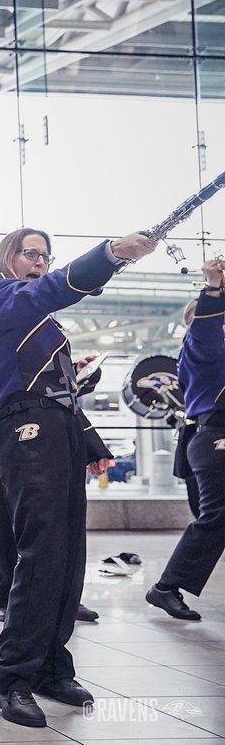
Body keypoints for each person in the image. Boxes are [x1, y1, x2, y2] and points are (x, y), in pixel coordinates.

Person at [0, 227, 153, 728]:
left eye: (45, 256)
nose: (39, 262)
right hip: (27, 431)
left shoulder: (39, 320)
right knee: (43, 551)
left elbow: (64, 393)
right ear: (6, 258)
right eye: (30, 253)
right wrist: (111, 255)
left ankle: (51, 664)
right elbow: (52, 290)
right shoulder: (2, 300)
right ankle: (10, 677)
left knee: (69, 554)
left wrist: (90, 444)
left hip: (57, 431)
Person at [0, 339, 109, 624]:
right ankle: (5, 598)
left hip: (48, 438)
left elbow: (63, 400)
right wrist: (16, 373)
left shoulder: (44, 345)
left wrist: (76, 372)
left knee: (51, 523)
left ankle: (59, 598)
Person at [147, 259, 225, 621]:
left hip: (212, 436)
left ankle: (166, 587)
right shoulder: (200, 347)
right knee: (218, 517)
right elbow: (208, 332)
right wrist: (212, 289)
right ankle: (165, 587)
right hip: (215, 436)